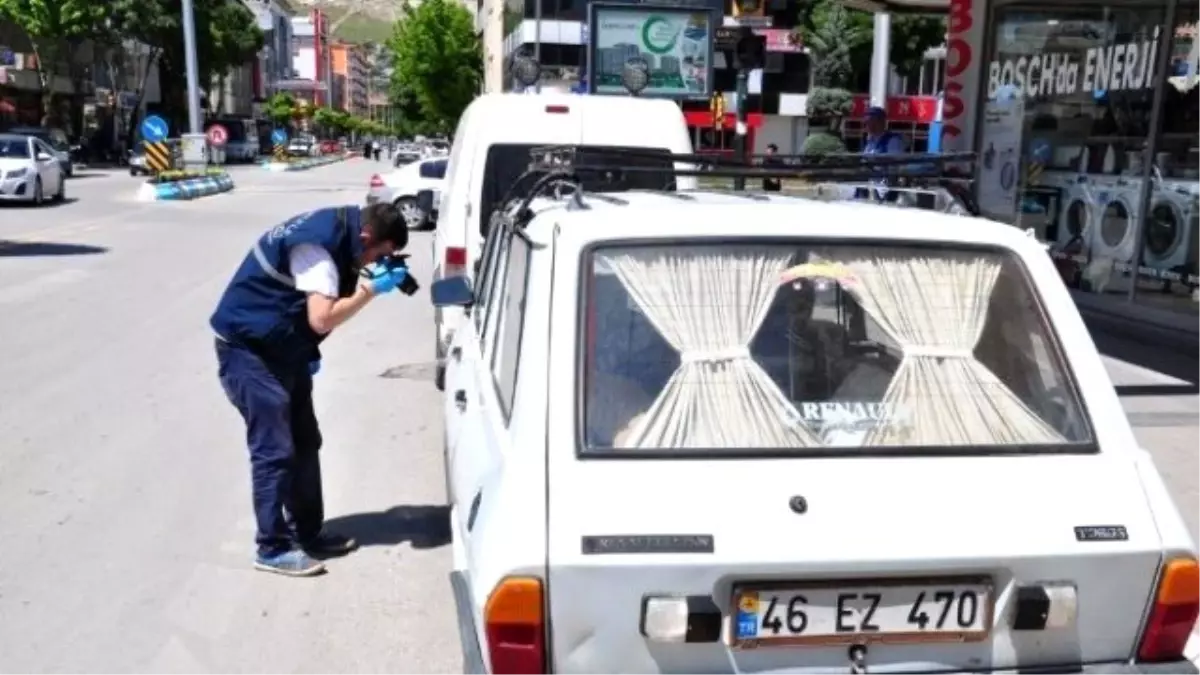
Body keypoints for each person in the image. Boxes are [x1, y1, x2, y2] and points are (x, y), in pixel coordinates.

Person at [210, 203, 413, 577]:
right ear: (366, 237)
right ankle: (270, 548)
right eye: (380, 255)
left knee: (306, 441)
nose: (378, 262)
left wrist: (303, 350)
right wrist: (369, 290)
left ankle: (307, 533)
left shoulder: (342, 230)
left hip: (282, 347)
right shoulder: (318, 251)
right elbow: (320, 319)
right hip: (248, 351)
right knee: (274, 450)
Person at [861, 106, 905, 202]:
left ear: (881, 122)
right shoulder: (869, 141)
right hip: (868, 183)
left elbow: (895, 162)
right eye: (866, 122)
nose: (867, 125)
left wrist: (874, 161)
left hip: (885, 185)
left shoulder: (893, 140)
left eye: (871, 121)